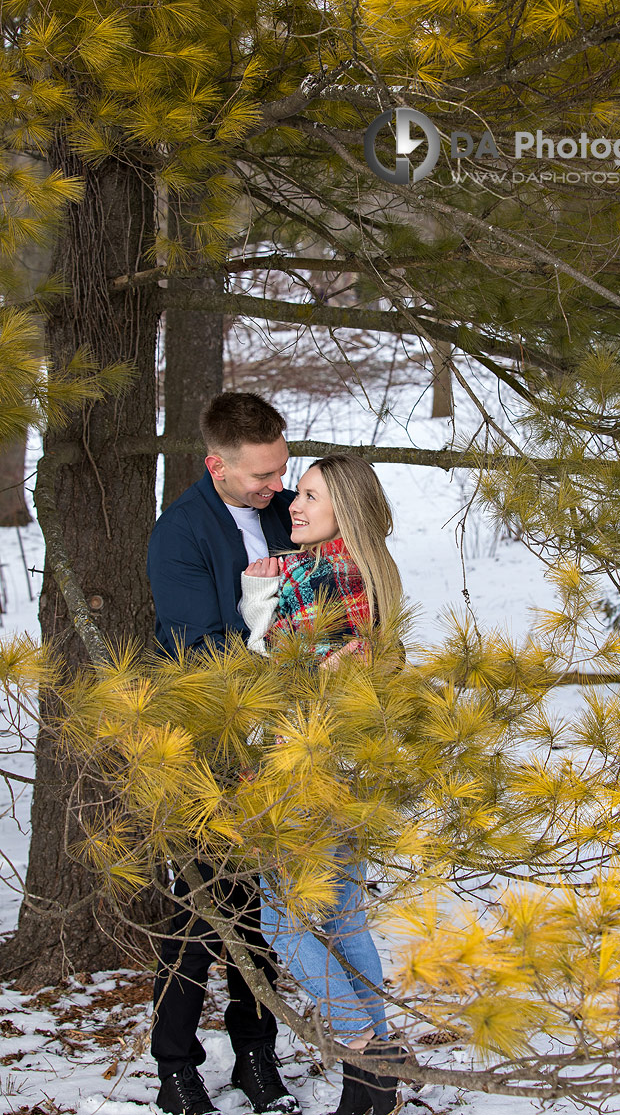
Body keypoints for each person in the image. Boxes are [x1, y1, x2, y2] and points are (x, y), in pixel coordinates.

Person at [240, 454, 408, 1115]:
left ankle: (367, 1048)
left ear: (345, 508)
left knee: (281, 921)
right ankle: (377, 1086)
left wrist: (257, 596)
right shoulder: (370, 568)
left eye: (310, 496)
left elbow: (274, 669)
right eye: (297, 494)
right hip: (354, 765)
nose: (295, 506)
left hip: (303, 766)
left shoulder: (314, 570)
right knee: (341, 913)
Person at [147, 392, 301, 1115]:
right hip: (211, 734)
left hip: (282, 734)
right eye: (261, 478)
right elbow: (196, 647)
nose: (276, 487)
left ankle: (255, 1050)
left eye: (281, 469)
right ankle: (174, 1064)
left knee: (254, 903)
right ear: (216, 465)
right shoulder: (179, 532)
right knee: (203, 904)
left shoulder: (286, 509)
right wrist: (286, 670)